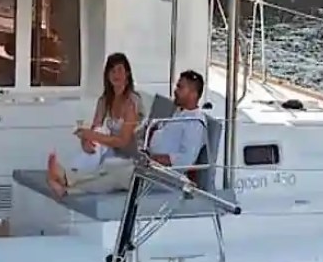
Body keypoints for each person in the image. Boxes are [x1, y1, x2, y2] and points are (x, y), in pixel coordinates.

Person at [47, 68, 208, 198]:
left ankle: (67, 185)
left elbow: (186, 159)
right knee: (109, 165)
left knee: (117, 177)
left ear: (193, 94)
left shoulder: (195, 122)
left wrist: (155, 160)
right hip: (151, 167)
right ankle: (66, 181)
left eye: (180, 88)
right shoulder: (180, 113)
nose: (175, 90)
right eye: (177, 86)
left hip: (167, 178)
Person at [45, 53, 143, 197]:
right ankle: (66, 177)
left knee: (106, 175)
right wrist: (86, 141)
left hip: (129, 159)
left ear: (127, 74)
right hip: (110, 155)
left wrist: (92, 135)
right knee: (97, 138)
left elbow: (123, 141)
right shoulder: (104, 101)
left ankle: (66, 179)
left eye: (120, 70)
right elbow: (95, 129)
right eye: (112, 71)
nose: (116, 75)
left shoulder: (133, 102)